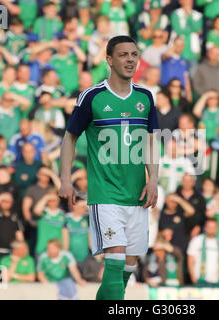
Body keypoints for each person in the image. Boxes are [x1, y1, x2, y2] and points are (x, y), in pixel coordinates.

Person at [59, 35, 159, 300]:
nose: (130, 60)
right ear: (109, 60)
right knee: (115, 258)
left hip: (136, 195)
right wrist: (66, 180)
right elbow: (69, 137)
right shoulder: (92, 97)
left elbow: (151, 141)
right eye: (124, 54)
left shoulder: (146, 97)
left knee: (129, 265)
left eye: (134, 54)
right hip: (105, 195)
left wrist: (154, 179)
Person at [0, 192, 24, 281]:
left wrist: (20, 249)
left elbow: (19, 236)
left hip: (10, 253)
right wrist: (1, 197)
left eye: (8, 201)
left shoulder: (14, 217)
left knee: (7, 279)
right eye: (3, 201)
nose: (6, 203)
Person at [187, 218, 219, 286]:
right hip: (199, 280)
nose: (211, 229)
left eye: (213, 227)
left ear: (217, 228)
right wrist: (192, 276)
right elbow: (190, 260)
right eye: (209, 227)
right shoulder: (196, 240)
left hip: (217, 281)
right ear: (205, 228)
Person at [33, 190, 67, 259]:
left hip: (58, 251)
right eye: (50, 200)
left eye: (55, 200)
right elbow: (36, 211)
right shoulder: (43, 212)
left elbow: (65, 234)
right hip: (42, 250)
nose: (52, 202)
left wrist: (65, 251)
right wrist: (46, 197)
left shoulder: (62, 215)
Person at [62, 196, 90, 271]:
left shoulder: (87, 219)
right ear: (74, 206)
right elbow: (65, 239)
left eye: (84, 207)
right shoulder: (66, 219)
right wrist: (64, 255)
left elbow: (90, 239)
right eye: (81, 207)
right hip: (70, 257)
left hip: (85, 257)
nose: (83, 209)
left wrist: (86, 205)